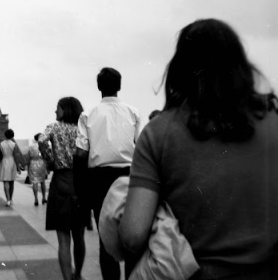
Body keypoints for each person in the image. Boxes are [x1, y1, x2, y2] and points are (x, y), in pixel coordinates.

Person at [119, 19, 278, 279]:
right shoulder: (273, 121)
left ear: (182, 68)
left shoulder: (159, 132)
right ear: (240, 66)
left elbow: (133, 235)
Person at [75, 67, 140, 280]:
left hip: (100, 180)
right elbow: (141, 149)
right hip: (129, 177)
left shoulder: (88, 115)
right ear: (119, 86)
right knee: (132, 237)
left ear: (98, 87)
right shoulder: (133, 112)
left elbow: (80, 153)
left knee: (106, 241)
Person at [38, 97, 88, 280]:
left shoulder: (54, 126)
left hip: (60, 180)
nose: (55, 112)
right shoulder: (83, 128)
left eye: (57, 108)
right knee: (80, 235)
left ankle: (67, 278)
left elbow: (42, 141)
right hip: (80, 181)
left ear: (65, 110)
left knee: (63, 239)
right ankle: (78, 274)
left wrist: (50, 160)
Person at [0, 129, 19, 206]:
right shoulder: (14, 144)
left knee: (5, 182)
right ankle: (11, 199)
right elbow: (16, 156)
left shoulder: (1, 144)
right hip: (12, 162)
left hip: (4, 161)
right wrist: (18, 168)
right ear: (12, 135)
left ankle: (8, 200)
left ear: (5, 135)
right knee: (11, 182)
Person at [27, 134, 47, 206]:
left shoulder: (31, 146)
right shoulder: (43, 146)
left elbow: (28, 158)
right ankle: (44, 198)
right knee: (42, 182)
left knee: (35, 182)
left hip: (33, 163)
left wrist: (27, 169)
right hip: (41, 163)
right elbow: (46, 156)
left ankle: (36, 199)